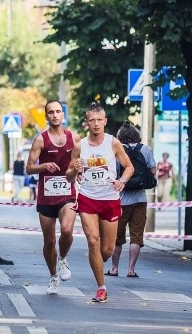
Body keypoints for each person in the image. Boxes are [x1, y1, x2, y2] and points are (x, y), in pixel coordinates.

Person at [65, 102, 134, 303]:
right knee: (93, 240)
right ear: (86, 123)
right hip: (87, 198)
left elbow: (129, 167)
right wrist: (74, 169)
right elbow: (69, 177)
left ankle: (97, 258)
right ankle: (101, 288)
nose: (95, 124)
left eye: (99, 120)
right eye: (92, 120)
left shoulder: (113, 143)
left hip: (110, 199)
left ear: (105, 121)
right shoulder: (79, 146)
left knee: (106, 251)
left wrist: (122, 181)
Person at [25, 100, 81, 295]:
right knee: (49, 241)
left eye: (58, 111)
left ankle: (63, 259)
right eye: (51, 112)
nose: (55, 115)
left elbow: (83, 160)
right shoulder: (40, 140)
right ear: (46, 116)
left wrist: (80, 171)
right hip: (46, 196)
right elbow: (29, 167)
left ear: (63, 114)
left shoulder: (74, 138)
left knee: (66, 231)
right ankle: (53, 276)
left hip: (68, 193)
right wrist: (43, 166)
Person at [106, 122, 156, 278]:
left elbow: (111, 173)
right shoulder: (145, 149)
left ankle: (114, 268)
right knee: (136, 237)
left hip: (120, 200)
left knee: (117, 238)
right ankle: (131, 270)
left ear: (120, 136)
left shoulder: (116, 150)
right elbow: (153, 170)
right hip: (140, 199)